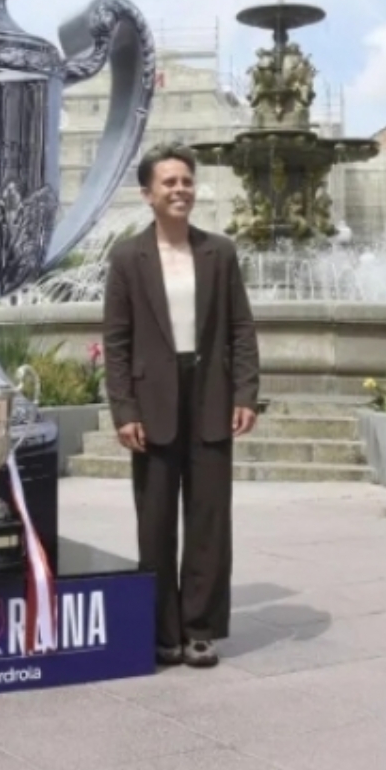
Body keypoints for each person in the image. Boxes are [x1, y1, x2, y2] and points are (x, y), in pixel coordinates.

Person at [102, 142, 259, 669]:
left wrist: (245, 393)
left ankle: (200, 629)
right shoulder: (128, 257)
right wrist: (124, 410)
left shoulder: (220, 252)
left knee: (209, 520)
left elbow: (241, 328)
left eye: (186, 181)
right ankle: (161, 629)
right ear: (148, 194)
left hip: (210, 394)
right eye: (169, 182)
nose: (180, 189)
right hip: (152, 404)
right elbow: (116, 341)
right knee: (155, 521)